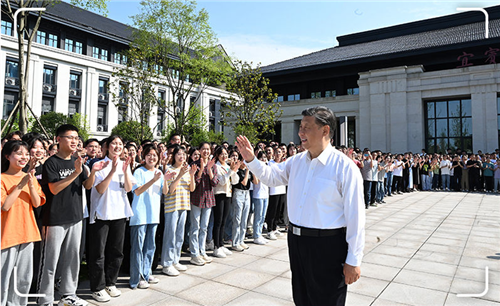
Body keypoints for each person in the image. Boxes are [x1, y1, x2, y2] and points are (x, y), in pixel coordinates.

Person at [236, 106, 364, 306]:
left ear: (325, 130)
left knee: (327, 301)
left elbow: (356, 216)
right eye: (300, 127)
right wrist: (251, 159)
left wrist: (354, 259)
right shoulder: (295, 162)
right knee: (302, 298)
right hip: (297, 242)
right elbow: (271, 176)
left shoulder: (344, 168)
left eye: (306, 127)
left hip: (328, 246)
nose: (300, 132)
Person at [36, 125, 106, 306]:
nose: (74, 141)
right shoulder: (51, 163)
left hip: (75, 217)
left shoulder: (78, 162)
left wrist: (94, 171)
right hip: (54, 219)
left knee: (72, 259)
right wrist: (75, 171)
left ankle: (68, 294)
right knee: (50, 262)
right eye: (70, 137)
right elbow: (54, 188)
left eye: (76, 138)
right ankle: (45, 299)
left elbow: (88, 186)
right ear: (58, 139)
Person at [88, 135, 135, 302]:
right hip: (101, 213)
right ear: (107, 146)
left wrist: (124, 171)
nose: (117, 146)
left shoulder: (125, 165)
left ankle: (110, 282)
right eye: (114, 143)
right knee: (98, 252)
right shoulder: (99, 164)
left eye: (120, 144)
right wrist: (112, 171)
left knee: (116, 251)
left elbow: (128, 189)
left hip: (120, 213)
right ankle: (97, 287)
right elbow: (100, 189)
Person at [1, 140, 46, 306]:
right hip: (7, 235)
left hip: (28, 232)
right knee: (3, 278)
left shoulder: (29, 177)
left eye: (26, 154)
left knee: (24, 279)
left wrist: (30, 183)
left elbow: (36, 203)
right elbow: (5, 206)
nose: (24, 157)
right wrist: (21, 184)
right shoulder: (2, 178)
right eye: (19, 153)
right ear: (7, 156)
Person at [129, 145, 172, 288]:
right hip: (140, 215)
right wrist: (153, 180)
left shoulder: (159, 172)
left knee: (150, 246)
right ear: (144, 157)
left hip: (153, 215)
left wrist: (164, 179)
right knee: (138, 248)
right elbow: (137, 191)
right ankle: (137, 277)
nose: (152, 157)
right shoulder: (139, 172)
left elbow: (165, 192)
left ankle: (146, 273)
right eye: (149, 155)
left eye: (154, 155)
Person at [161, 146, 197, 276]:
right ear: (174, 156)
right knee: (170, 235)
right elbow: (170, 190)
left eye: (183, 154)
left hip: (184, 205)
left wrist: (191, 176)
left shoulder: (187, 170)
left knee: (180, 235)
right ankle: (166, 263)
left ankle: (175, 260)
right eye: (179, 154)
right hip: (172, 206)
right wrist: (179, 175)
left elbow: (192, 189)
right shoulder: (170, 170)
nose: (181, 156)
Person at [213, 147, 239, 258]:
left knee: (224, 220)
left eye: (225, 154)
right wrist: (230, 172)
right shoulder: (216, 167)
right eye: (222, 154)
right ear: (218, 155)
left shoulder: (227, 167)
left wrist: (233, 171)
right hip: (219, 194)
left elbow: (235, 181)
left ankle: (221, 244)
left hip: (228, 194)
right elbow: (221, 181)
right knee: (218, 221)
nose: (224, 156)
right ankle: (216, 246)